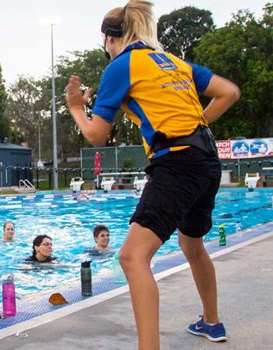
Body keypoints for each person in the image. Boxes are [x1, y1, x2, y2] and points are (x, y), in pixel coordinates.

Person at [64, 1, 239, 346]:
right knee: (192, 244)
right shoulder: (173, 62)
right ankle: (212, 322)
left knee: (132, 256)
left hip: (177, 163)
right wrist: (193, 128)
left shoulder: (121, 65)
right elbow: (228, 92)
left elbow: (97, 135)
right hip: (207, 159)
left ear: (109, 38)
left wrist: (74, 107)